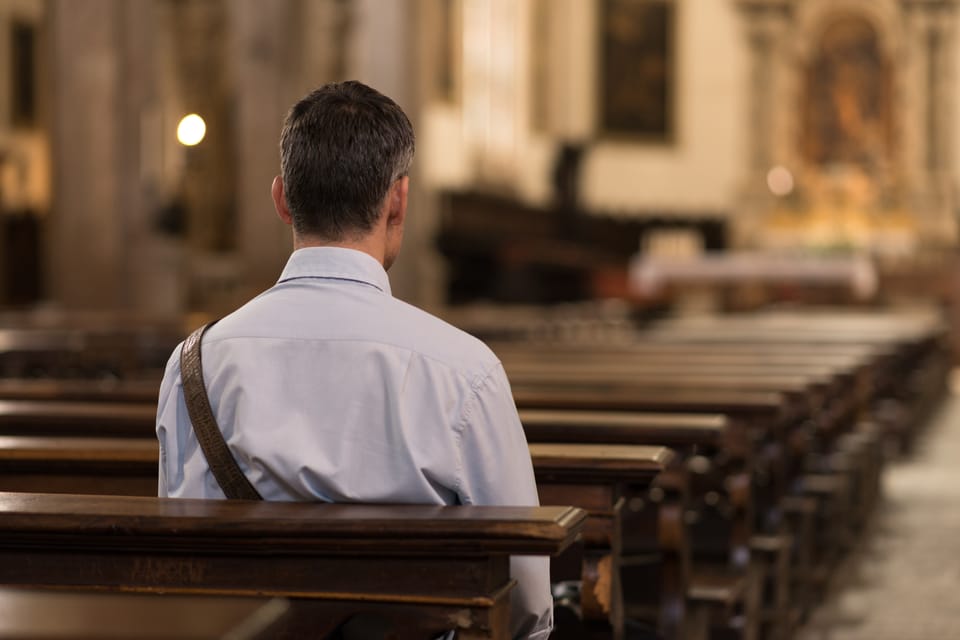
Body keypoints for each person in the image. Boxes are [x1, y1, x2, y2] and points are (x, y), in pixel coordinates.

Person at [155, 81, 552, 639]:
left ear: (282, 199)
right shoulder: (465, 371)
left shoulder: (192, 364)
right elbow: (526, 598)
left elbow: (178, 565)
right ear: (398, 202)